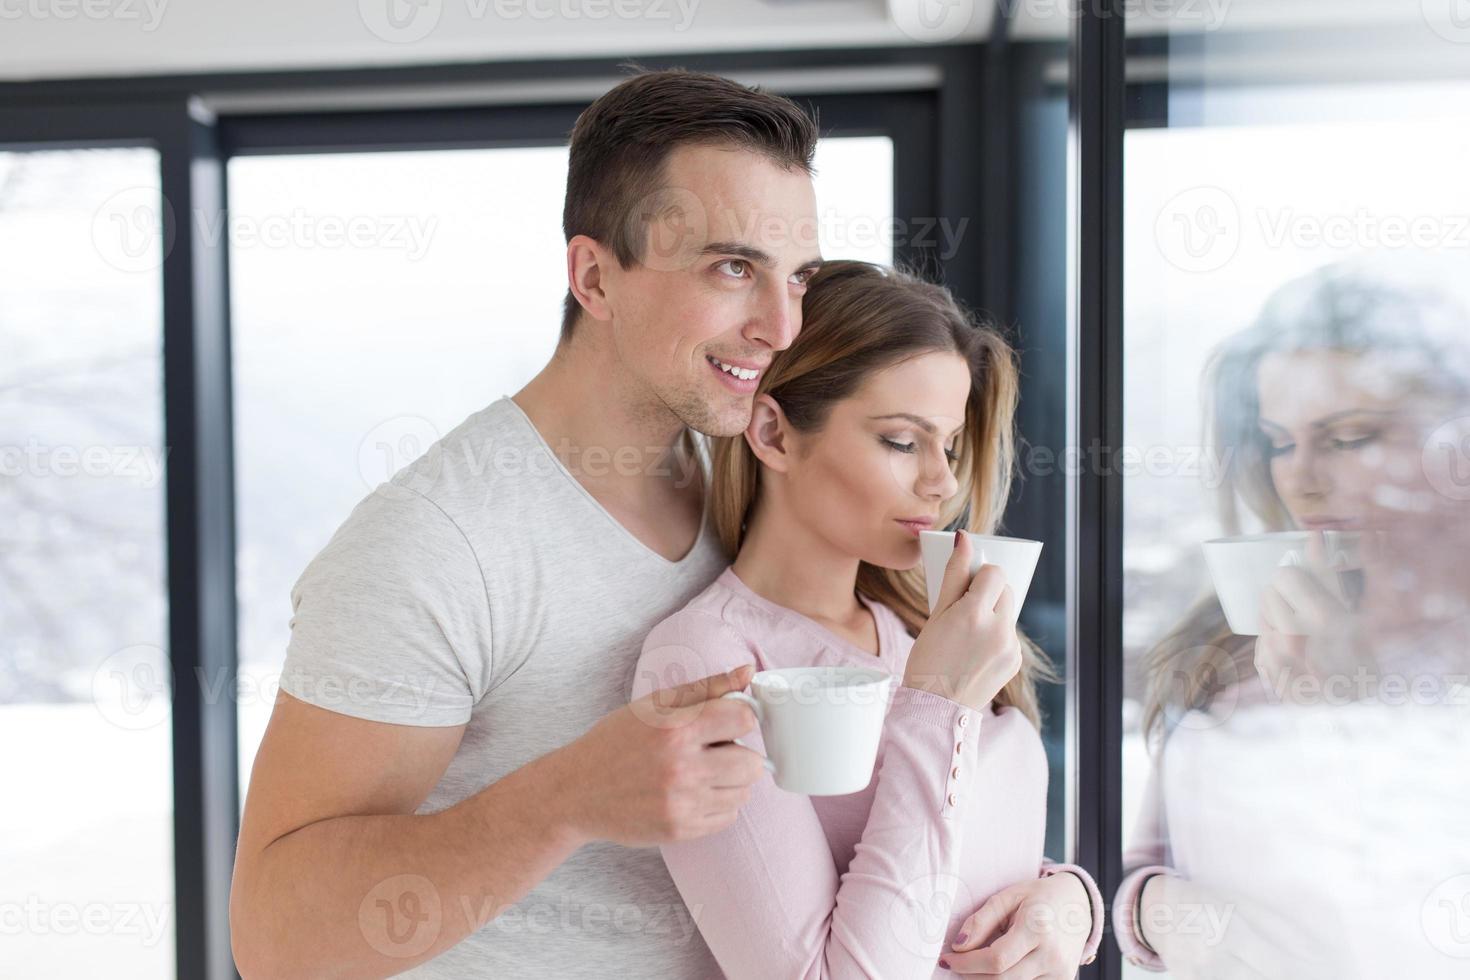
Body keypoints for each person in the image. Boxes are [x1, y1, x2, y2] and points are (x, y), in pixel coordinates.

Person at [229, 68, 825, 978]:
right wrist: (565, 800)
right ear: (594, 275)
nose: (781, 327)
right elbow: (277, 938)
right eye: (733, 268)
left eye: (800, 279)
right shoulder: (435, 544)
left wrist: (1063, 895)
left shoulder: (753, 481)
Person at [633, 261, 1105, 978]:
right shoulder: (711, 660)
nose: (943, 483)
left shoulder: (921, 626)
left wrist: (1070, 902)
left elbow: (962, 857)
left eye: (946, 446)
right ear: (774, 433)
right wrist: (939, 701)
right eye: (900, 441)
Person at [1113, 261, 1470, 978]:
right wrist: (1166, 919)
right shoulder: (1232, 628)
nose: (1301, 476)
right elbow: (1143, 874)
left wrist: (1349, 707)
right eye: (1280, 441)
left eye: (1348, 437)